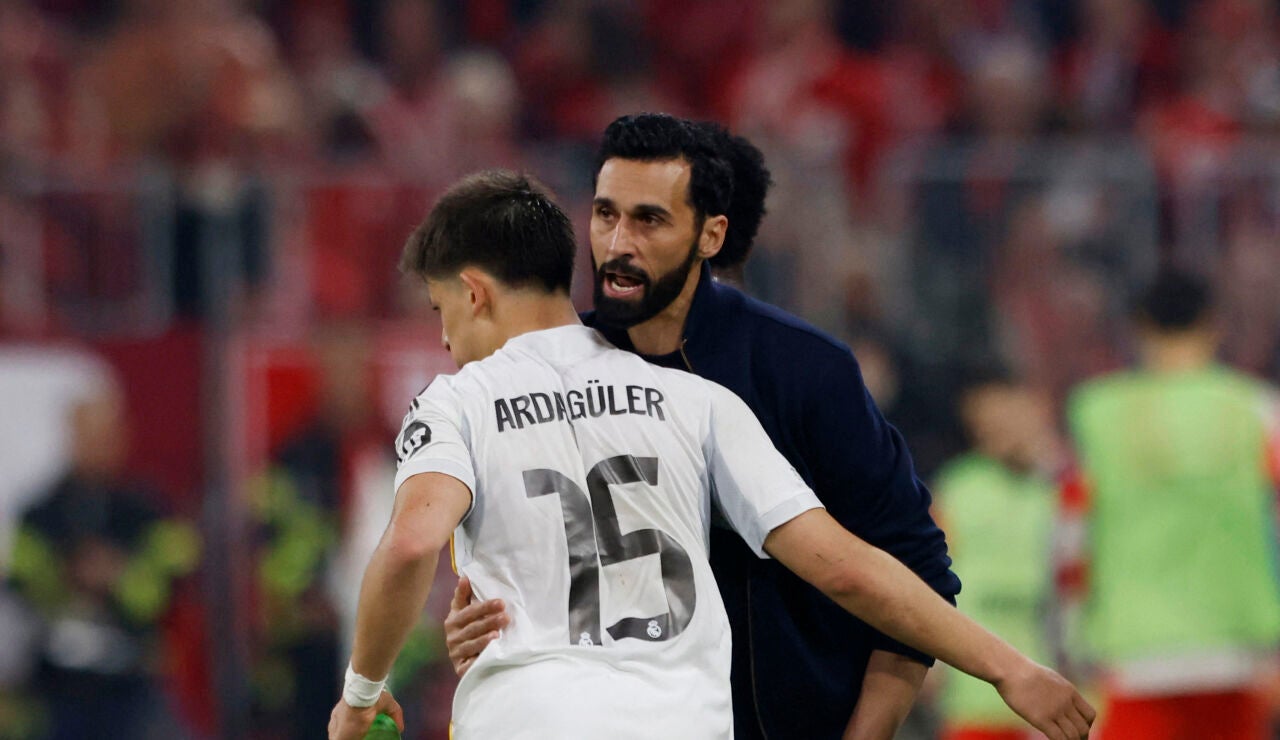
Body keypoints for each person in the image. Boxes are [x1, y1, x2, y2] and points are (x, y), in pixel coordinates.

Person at [327, 170, 1093, 740]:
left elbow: (413, 542)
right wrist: (1008, 667)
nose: (442, 340)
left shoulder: (457, 400)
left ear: (474, 291)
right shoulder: (694, 400)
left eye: (439, 312)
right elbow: (846, 566)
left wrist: (361, 696)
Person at [446, 113, 961, 739]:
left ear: (711, 235)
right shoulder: (554, 375)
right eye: (605, 214)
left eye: (648, 219)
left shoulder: (805, 372)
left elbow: (916, 572)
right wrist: (489, 619)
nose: (616, 243)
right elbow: (533, 562)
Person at [1062, 268, 1280, 740]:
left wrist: (1067, 639)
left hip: (1133, 653)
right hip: (1238, 654)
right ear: (1215, 323)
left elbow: (1071, 538)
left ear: (1138, 326)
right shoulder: (1258, 409)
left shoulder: (1095, 412)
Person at [7, 376, 200, 739]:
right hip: (57, 686)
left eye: (105, 433)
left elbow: (169, 586)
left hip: (132, 683)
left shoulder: (148, 509)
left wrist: (117, 577)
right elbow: (20, 583)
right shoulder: (40, 511)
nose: (96, 445)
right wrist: (68, 574)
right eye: (86, 433)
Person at [931, 367, 1063, 740]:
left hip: (1052, 686)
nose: (996, 428)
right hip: (975, 692)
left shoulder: (1057, 488)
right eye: (985, 420)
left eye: (1007, 415)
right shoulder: (958, 487)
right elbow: (925, 577)